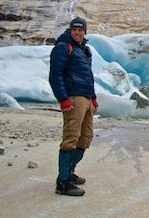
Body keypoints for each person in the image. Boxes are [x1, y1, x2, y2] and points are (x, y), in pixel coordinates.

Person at [49, 17, 98, 196]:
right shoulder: (63, 47)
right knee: (71, 138)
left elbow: (88, 77)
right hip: (73, 98)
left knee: (85, 138)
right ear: (70, 30)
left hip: (86, 99)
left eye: (81, 30)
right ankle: (62, 182)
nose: (78, 32)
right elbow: (55, 74)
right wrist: (63, 98)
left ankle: (69, 172)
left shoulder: (84, 50)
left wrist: (93, 98)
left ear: (85, 32)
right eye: (75, 29)